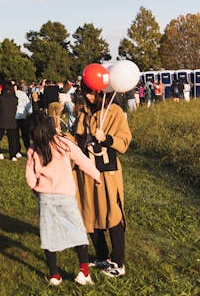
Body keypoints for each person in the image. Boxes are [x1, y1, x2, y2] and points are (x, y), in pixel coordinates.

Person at [26, 112, 100, 286]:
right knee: (78, 232)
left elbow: (30, 176)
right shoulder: (64, 143)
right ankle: (84, 271)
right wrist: (96, 176)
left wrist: (36, 189)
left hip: (46, 197)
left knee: (48, 234)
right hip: (66, 196)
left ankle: (54, 275)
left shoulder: (33, 149)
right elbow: (82, 160)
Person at [74, 88, 132, 278]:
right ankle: (101, 255)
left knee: (112, 213)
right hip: (85, 170)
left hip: (107, 171)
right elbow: (77, 138)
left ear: (101, 93)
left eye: (92, 94)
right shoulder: (84, 112)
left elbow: (124, 141)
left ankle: (117, 261)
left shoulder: (115, 112)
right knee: (89, 210)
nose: (89, 97)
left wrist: (106, 138)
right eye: (86, 94)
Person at [0, 82, 20, 160]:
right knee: (12, 140)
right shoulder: (15, 98)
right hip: (12, 120)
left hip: (2, 120)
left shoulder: (0, 98)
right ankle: (13, 155)